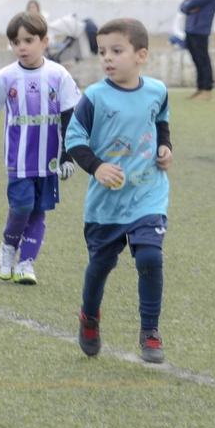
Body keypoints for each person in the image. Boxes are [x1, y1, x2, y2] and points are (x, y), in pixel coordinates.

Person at [65, 18, 173, 364]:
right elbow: (73, 140)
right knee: (100, 264)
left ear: (141, 54)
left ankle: (150, 332)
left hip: (148, 194)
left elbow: (160, 121)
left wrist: (165, 148)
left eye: (116, 51)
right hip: (106, 203)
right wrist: (96, 166)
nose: (107, 58)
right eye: (101, 52)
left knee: (149, 258)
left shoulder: (157, 90)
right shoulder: (95, 97)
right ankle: (89, 318)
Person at [0, 11, 80, 285]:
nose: (22, 47)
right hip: (19, 160)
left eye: (28, 40)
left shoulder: (59, 75)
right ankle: (9, 248)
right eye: (16, 42)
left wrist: (68, 155)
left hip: (49, 161)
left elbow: (70, 116)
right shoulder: (5, 76)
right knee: (22, 206)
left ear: (44, 41)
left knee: (38, 211)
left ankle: (26, 263)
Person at [179, 0, 215, 100]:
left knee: (203, 60)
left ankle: (207, 90)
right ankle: (200, 88)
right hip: (190, 29)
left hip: (200, 29)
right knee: (196, 60)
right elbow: (183, 6)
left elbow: (193, 2)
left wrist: (189, 6)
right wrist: (189, 8)